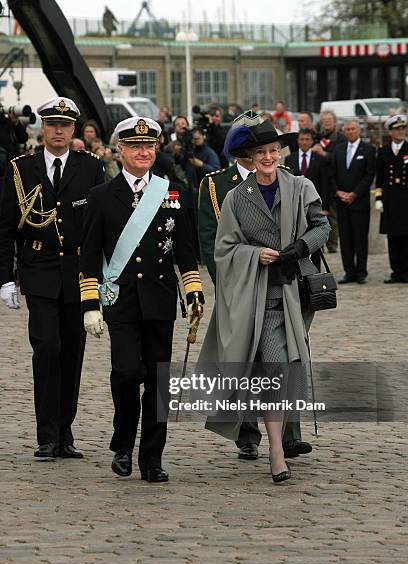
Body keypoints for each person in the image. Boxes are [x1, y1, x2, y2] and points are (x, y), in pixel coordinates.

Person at [199, 120, 330, 482]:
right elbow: (223, 248)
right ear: (251, 158)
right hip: (262, 296)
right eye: (261, 153)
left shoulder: (301, 186)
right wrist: (256, 254)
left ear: (280, 153)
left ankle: (278, 440)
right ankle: (275, 450)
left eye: (273, 151)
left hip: (297, 296)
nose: (269, 157)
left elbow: (322, 226)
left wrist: (301, 247)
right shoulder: (236, 198)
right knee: (275, 370)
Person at [79, 116, 204, 483]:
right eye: (135, 147)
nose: (144, 152)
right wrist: (90, 305)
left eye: (149, 146)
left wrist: (193, 289)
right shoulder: (102, 196)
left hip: (160, 299)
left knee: (158, 381)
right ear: (120, 151)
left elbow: (185, 250)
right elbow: (88, 256)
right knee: (125, 373)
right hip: (121, 300)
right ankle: (122, 443)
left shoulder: (173, 191)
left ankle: (152, 458)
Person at [0, 97, 105, 459]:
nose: (58, 130)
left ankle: (65, 430)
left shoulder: (90, 168)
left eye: (65, 124)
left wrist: (103, 274)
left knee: (73, 352)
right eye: (52, 123)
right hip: (39, 270)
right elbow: (5, 228)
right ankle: (46, 433)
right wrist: (5, 278)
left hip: (77, 273)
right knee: (46, 349)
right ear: (41, 128)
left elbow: (99, 227)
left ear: (74, 129)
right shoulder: (21, 169)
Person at [330, 120, 376, 284]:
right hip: (341, 202)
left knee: (360, 238)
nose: (350, 132)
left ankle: (361, 271)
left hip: (359, 202)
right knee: (346, 238)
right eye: (347, 129)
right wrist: (337, 191)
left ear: (359, 131)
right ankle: (349, 272)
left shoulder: (369, 149)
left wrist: (355, 193)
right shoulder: (338, 149)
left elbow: (369, 175)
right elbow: (332, 173)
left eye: (353, 129)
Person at [375, 115, 408, 283]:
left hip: (406, 201)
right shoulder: (383, 150)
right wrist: (378, 198)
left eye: (403, 128)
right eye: (397, 129)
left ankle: (406, 271)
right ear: (390, 132)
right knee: (393, 238)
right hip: (389, 201)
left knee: (406, 237)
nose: (401, 131)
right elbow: (379, 177)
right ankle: (396, 271)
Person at [313, 110, 347, 253]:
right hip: (318, 181)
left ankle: (332, 245)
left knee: (332, 215)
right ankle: (317, 244)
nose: (327, 122)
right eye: (324, 119)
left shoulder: (340, 139)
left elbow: (341, 159)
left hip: (332, 180)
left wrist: (324, 154)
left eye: (329, 119)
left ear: (334, 121)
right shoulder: (317, 137)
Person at [285, 129, 329, 213]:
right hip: (295, 202)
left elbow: (324, 184)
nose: (304, 142)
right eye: (302, 139)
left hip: (315, 201)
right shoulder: (289, 159)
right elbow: (287, 183)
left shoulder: (320, 159)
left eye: (307, 139)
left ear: (312, 141)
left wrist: (325, 207)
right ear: (298, 141)